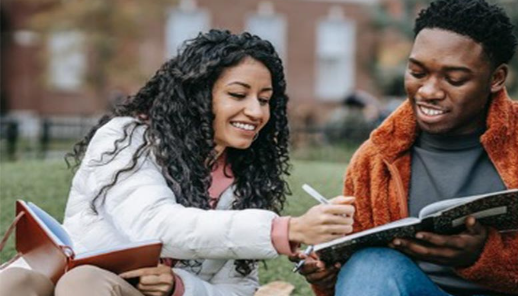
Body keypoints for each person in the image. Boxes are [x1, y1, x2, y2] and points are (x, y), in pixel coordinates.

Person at [294, 0, 518, 296]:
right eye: (417, 72)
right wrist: (325, 274)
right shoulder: (376, 158)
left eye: (454, 78)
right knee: (370, 265)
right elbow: (359, 279)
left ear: (496, 78)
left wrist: (488, 256)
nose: (429, 90)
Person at [0, 30, 355, 296]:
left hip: (98, 287)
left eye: (265, 100)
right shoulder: (128, 139)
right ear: (197, 96)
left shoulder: (247, 176)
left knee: (84, 283)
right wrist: (285, 230)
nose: (256, 111)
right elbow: (155, 225)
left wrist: (180, 285)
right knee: (16, 281)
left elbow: (238, 290)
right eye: (237, 94)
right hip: (70, 277)